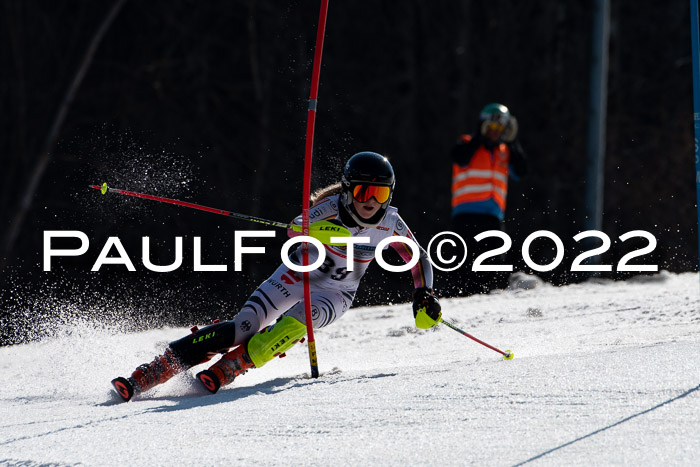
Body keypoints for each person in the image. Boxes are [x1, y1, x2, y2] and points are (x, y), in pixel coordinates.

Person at [111, 151, 442, 402]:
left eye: (380, 195)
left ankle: (235, 365)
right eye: (363, 192)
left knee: (300, 318)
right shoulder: (327, 211)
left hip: (336, 294)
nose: (370, 202)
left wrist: (422, 292)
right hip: (295, 275)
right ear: (346, 190)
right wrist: (311, 231)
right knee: (242, 327)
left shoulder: (391, 224)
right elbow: (296, 229)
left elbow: (419, 257)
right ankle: (156, 370)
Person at [449, 103, 527, 295]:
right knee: (465, 260)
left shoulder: (505, 151)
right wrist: (479, 138)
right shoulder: (467, 143)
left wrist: (512, 141)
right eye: (491, 127)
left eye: (500, 128)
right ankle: (460, 295)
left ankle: (489, 295)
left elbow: (521, 171)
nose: (495, 132)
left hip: (493, 215)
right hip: (466, 214)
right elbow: (460, 157)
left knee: (495, 260)